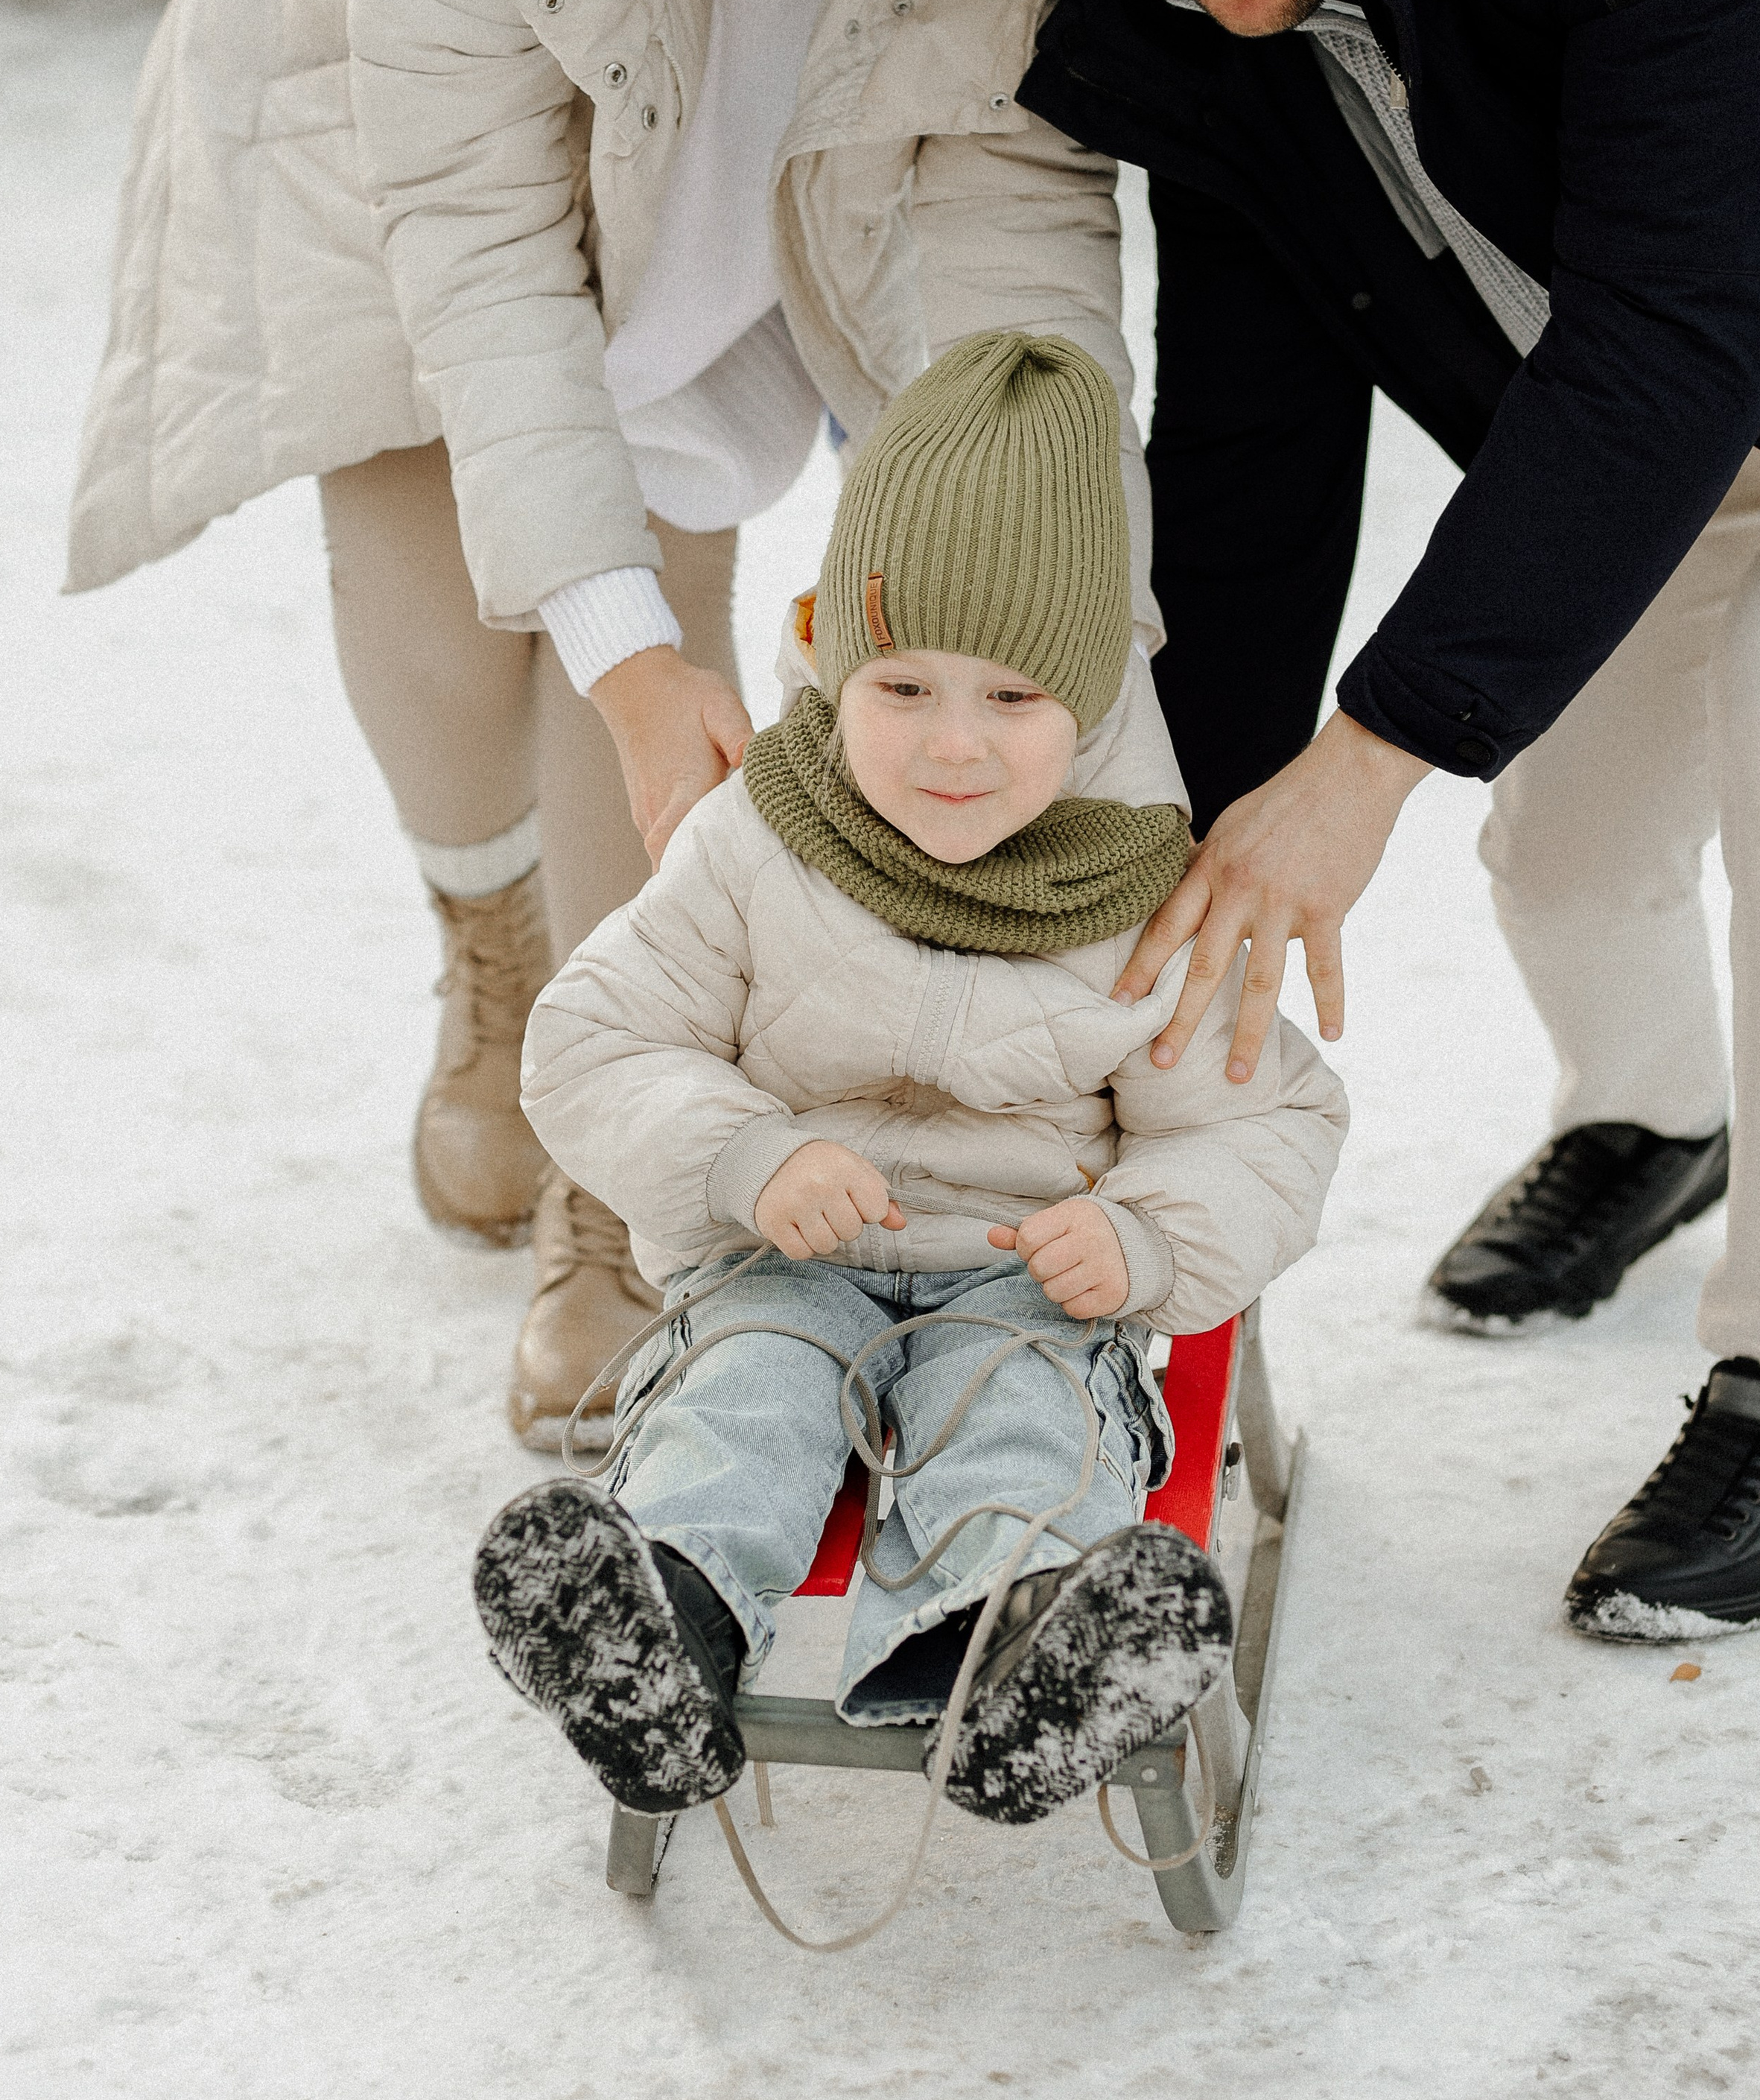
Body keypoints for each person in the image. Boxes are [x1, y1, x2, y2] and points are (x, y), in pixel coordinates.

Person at [65, 0, 1157, 1447]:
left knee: (668, 578)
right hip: (382, 63)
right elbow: (476, 233)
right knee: (440, 583)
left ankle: (613, 1178)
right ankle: (491, 955)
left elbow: (1016, 212)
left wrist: (1061, 594)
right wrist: (620, 661)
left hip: (758, 105)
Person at [1009, 0, 1760, 1640]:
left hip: (1718, 340)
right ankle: (1656, 1123)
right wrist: (1188, 848)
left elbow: (1670, 327)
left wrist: (1368, 756)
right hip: (1700, 386)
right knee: (1564, 840)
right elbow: (1253, 441)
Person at [472, 330, 1345, 1823]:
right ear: (826, 652)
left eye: (1012, 699)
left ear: (1089, 697)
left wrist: (1141, 1236)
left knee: (1020, 1427)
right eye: (903, 687)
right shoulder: (754, 840)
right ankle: (657, 1635)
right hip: (777, 1259)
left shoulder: (1145, 900)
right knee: (743, 1402)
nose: (953, 747)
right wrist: (743, 1155)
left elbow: (1267, 1121)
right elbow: (597, 1036)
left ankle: (1014, 1658)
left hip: (1021, 1284)